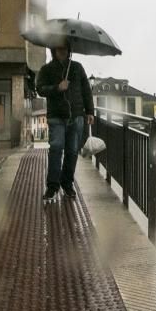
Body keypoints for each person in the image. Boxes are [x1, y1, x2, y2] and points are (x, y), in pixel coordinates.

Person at [36, 41, 95, 200]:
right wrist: (57, 88)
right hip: (56, 116)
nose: (61, 51)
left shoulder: (77, 67)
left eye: (64, 48)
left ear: (69, 50)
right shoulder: (46, 69)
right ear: (53, 50)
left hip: (76, 115)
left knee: (72, 151)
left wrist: (90, 111)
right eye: (58, 48)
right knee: (56, 148)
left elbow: (86, 89)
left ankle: (67, 183)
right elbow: (40, 89)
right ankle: (52, 186)